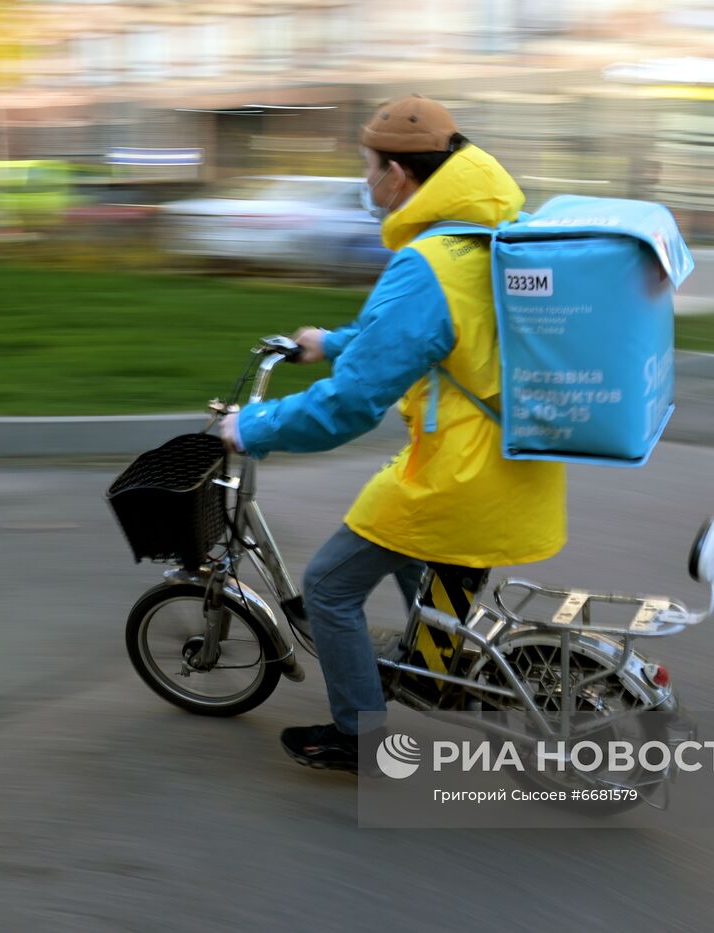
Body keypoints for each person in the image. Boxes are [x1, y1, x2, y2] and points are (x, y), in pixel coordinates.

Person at [219, 95, 567, 773]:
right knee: (409, 559)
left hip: (455, 478)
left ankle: (359, 734)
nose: (366, 180)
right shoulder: (494, 231)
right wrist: (334, 341)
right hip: (512, 469)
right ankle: (434, 665)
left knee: (328, 586)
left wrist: (251, 425)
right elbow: (433, 340)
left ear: (400, 176)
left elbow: (351, 407)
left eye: (368, 166)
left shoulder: (426, 264)